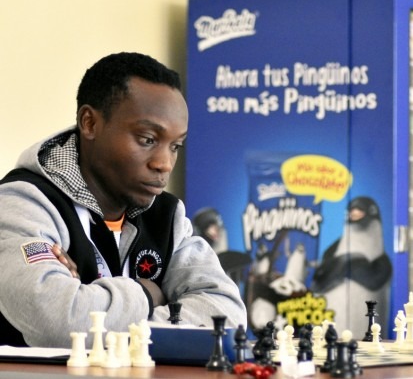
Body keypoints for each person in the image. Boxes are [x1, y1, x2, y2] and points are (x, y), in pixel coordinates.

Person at [0, 52, 247, 348]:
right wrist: (149, 293)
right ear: (90, 123)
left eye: (176, 146)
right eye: (147, 140)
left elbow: (227, 313)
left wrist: (94, 304)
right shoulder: (23, 204)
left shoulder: (167, 216)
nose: (164, 163)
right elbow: (57, 320)